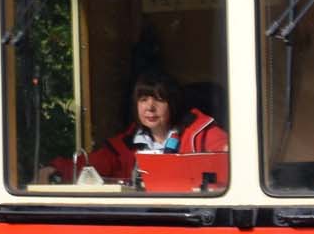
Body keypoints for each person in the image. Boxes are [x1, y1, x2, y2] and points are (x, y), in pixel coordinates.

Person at [48, 75, 227, 185]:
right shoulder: (125, 144)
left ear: (174, 103)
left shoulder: (201, 133)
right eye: (143, 100)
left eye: (159, 100)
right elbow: (88, 166)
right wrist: (53, 170)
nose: (150, 108)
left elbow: (229, 158)